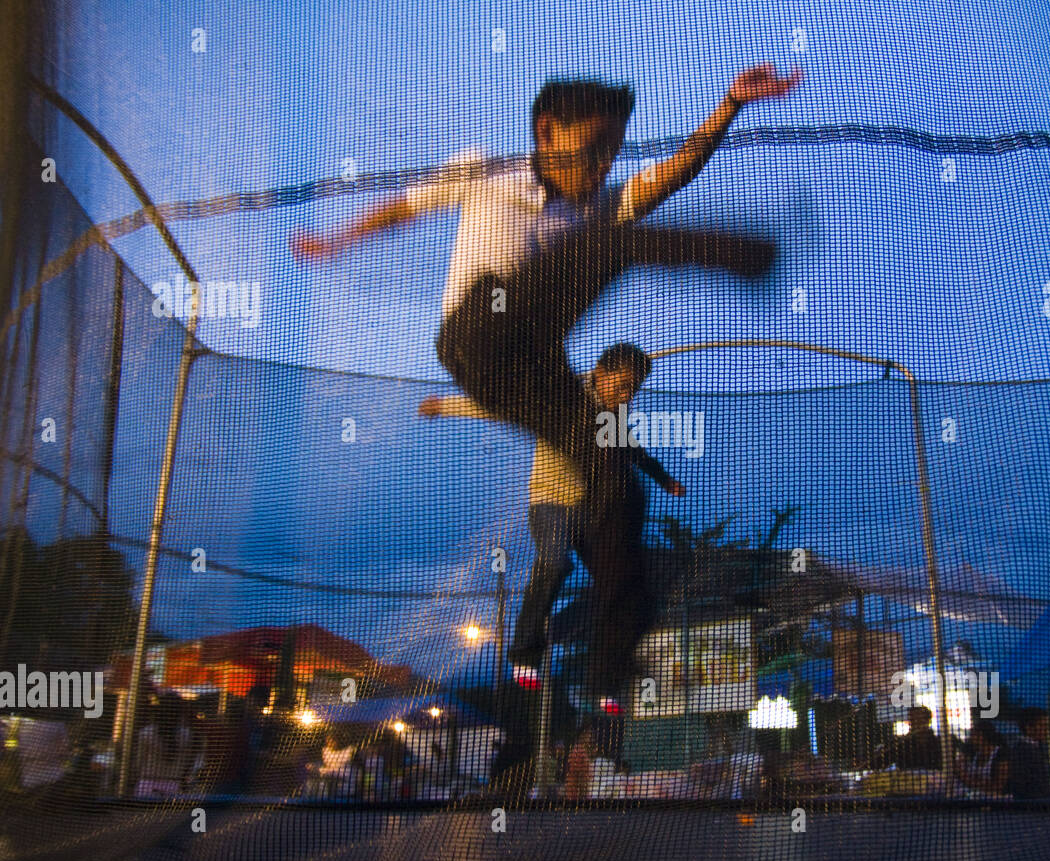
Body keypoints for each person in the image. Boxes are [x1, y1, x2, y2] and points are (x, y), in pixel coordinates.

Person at [295, 70, 800, 710]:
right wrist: (336, 241)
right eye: (593, 148)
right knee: (608, 244)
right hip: (479, 331)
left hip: (532, 370)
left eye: (614, 151)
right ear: (546, 133)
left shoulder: (602, 205)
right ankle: (746, 255)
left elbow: (672, 173)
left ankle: (614, 662)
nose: (603, 164)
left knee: (616, 483)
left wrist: (728, 106)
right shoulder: (486, 172)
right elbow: (403, 207)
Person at [421, 342, 683, 702]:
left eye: (632, 391)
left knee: (617, 578)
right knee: (555, 562)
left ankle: (606, 678)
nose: (625, 397)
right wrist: (445, 406)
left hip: (591, 510)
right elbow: (502, 408)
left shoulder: (613, 416)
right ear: (600, 373)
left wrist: (662, 478)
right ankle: (524, 656)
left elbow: (631, 448)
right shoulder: (562, 396)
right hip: (549, 502)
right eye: (621, 386)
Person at [1004, 707, 1050, 799]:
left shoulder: (1039, 747)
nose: (1046, 730)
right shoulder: (1021, 751)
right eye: (1043, 726)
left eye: (1047, 726)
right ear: (1029, 728)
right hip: (1032, 804)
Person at [955, 719, 1008, 796]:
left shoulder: (1001, 755)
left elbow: (998, 786)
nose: (970, 738)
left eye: (973, 734)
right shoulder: (973, 754)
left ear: (981, 736)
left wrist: (966, 779)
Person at [895, 705, 942, 770]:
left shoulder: (940, 744)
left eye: (919, 720)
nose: (916, 724)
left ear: (928, 721)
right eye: (912, 720)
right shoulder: (903, 746)